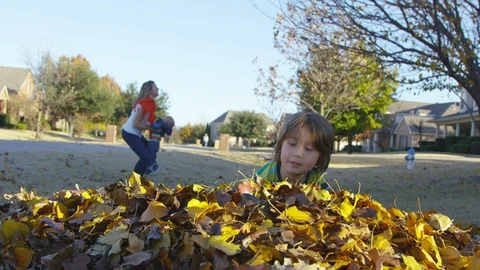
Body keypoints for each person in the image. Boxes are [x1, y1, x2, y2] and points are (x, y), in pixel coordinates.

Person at [256, 112, 334, 188]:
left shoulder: (317, 181)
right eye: (292, 143)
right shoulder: (265, 175)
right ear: (281, 144)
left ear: (321, 157)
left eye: (309, 149)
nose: (298, 153)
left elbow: (328, 199)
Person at [121, 80, 163, 176]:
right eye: (155, 87)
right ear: (149, 90)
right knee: (146, 157)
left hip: (136, 134)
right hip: (129, 133)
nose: (158, 88)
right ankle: (134, 182)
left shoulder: (150, 104)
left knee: (149, 154)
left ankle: (138, 179)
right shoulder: (143, 105)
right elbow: (136, 124)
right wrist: (152, 129)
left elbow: (147, 123)